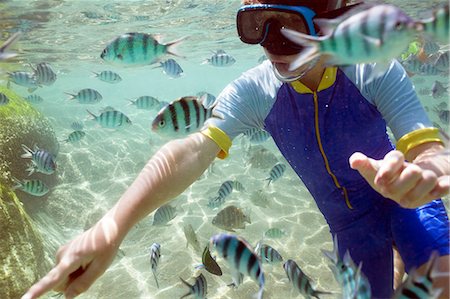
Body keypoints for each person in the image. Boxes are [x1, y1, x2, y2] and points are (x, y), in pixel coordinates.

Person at [23, 0, 449, 298]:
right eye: (257, 25)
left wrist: (427, 173)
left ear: (331, 22)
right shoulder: (256, 90)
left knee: (444, 282)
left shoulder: (370, 66)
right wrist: (113, 226)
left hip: (405, 202)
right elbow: (190, 151)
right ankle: (395, 262)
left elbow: (428, 144)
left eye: (289, 27)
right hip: (349, 230)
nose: (272, 45)